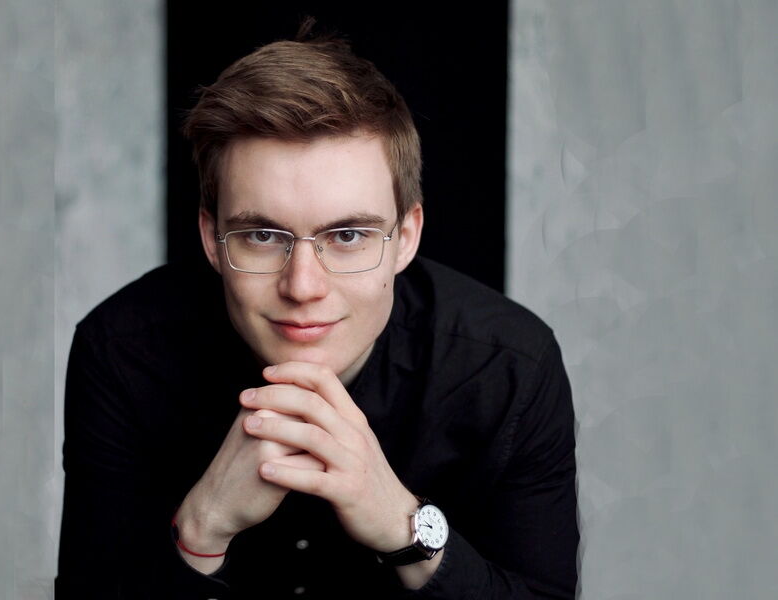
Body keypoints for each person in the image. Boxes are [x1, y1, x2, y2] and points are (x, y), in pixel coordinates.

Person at [56, 17, 579, 600]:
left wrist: (404, 527)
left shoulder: (511, 368)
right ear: (211, 238)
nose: (303, 286)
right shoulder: (122, 351)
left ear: (406, 237)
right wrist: (203, 526)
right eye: (262, 236)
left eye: (348, 236)